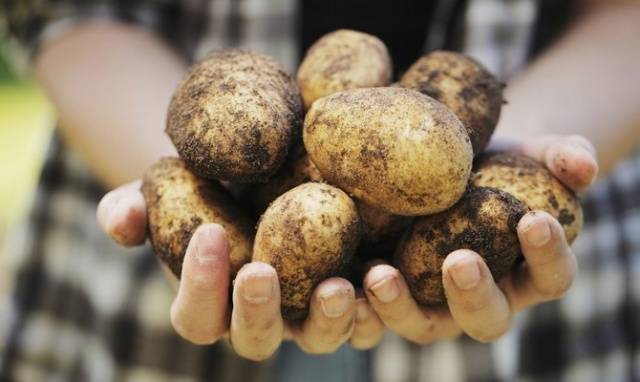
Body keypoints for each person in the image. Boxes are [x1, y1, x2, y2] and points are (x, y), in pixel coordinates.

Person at [0, 0, 638, 381]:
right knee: (298, 199)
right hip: (143, 321)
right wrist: (164, 162)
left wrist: (529, 141)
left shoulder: (424, 146)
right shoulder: (283, 138)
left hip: (555, 337)